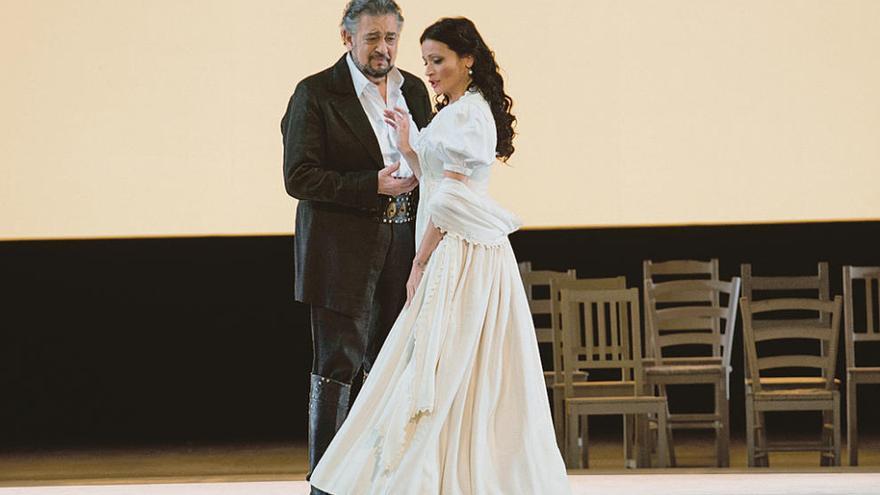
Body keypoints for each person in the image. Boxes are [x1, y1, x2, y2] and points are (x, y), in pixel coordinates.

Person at [309, 17, 572, 494]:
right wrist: (411, 146)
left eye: (438, 61)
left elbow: (448, 200)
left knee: (443, 367)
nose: (428, 71)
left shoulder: (466, 115)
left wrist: (420, 261)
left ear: (467, 59)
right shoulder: (458, 111)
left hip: (458, 256)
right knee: (451, 369)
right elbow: (436, 181)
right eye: (426, 60)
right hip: (459, 251)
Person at [280, 1, 432, 493]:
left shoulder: (414, 89)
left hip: (403, 243)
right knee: (338, 365)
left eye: (391, 37)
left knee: (394, 365)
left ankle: (384, 477)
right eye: (371, 38)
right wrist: (372, 184)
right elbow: (299, 176)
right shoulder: (316, 93)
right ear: (347, 38)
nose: (382, 48)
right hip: (341, 249)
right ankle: (326, 481)